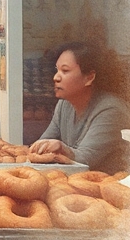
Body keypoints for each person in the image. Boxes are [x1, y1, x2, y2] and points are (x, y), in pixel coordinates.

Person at [30, 41, 130, 174]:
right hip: (74, 184)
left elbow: (86, 160)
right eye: (56, 70)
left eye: (65, 71)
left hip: (106, 186)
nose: (56, 77)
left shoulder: (111, 110)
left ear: (89, 77)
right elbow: (41, 144)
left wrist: (61, 148)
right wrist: (40, 147)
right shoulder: (64, 105)